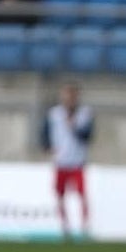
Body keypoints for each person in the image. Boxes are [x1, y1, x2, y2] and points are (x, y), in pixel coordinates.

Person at [40, 82, 94, 240]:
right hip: (61, 161)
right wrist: (47, 145)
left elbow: (88, 136)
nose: (69, 98)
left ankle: (84, 226)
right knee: (60, 195)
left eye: (72, 95)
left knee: (82, 194)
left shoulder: (85, 114)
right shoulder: (54, 114)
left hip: (77, 161)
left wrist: (74, 127)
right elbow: (45, 132)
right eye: (66, 95)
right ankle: (65, 226)